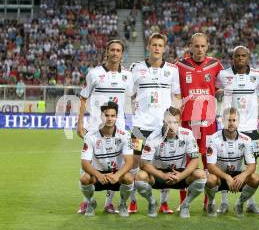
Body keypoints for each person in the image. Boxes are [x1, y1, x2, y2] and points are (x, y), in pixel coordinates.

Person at [76, 39, 133, 214]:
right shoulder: (94, 73)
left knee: (116, 162)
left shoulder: (128, 76)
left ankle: (109, 203)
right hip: (95, 126)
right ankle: (87, 201)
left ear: (122, 54)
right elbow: (84, 98)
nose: (115, 53)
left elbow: (130, 99)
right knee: (89, 161)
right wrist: (79, 122)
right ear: (107, 52)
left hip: (119, 125)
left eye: (118, 50)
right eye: (112, 50)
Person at [130, 33, 181, 214]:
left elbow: (176, 96)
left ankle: (164, 203)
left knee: (165, 163)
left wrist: (176, 120)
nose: (157, 48)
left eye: (160, 45)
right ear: (149, 47)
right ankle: (133, 201)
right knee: (134, 163)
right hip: (140, 126)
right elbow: (130, 93)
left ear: (164, 48)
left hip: (163, 127)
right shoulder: (136, 69)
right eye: (154, 45)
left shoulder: (172, 70)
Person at [175, 33, 223, 209]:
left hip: (208, 121)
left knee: (209, 161)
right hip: (187, 121)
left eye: (203, 46)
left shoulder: (215, 65)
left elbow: (222, 86)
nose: (200, 49)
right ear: (190, 46)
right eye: (196, 46)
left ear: (207, 46)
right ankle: (183, 202)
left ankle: (208, 201)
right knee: (186, 161)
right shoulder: (179, 65)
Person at [215, 46, 259, 214]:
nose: (241, 58)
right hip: (229, 126)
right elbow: (214, 90)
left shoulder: (258, 75)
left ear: (248, 57)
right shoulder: (223, 75)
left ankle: (249, 202)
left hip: (251, 129)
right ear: (232, 57)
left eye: (244, 55)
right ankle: (223, 202)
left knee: (251, 165)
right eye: (237, 56)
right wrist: (220, 93)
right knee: (223, 163)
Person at [135, 107, 207, 218]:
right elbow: (143, 163)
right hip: (158, 174)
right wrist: (163, 175)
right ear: (163, 122)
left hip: (180, 174)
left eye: (175, 122)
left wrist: (181, 175)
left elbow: (195, 159)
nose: (172, 125)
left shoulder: (187, 134)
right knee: (140, 176)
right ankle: (152, 202)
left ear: (180, 122)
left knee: (201, 175)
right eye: (169, 122)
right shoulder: (153, 136)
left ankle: (185, 205)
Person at [79, 102, 134, 217]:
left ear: (116, 117)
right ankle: (91, 202)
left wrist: (117, 175)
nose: (109, 118)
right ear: (101, 116)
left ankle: (123, 204)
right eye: (106, 115)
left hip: (116, 175)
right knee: (84, 178)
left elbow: (129, 162)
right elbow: (85, 163)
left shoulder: (125, 135)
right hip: (98, 174)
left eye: (112, 116)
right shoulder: (90, 136)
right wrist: (98, 175)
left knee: (129, 178)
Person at [205, 108, 259, 217]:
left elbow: (252, 165)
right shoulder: (213, 138)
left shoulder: (246, 140)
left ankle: (239, 204)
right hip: (220, 176)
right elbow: (210, 166)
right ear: (222, 121)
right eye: (228, 120)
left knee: (255, 178)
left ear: (238, 122)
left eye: (234, 120)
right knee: (210, 179)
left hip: (237, 176)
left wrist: (242, 176)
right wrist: (226, 177)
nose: (231, 123)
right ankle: (211, 203)